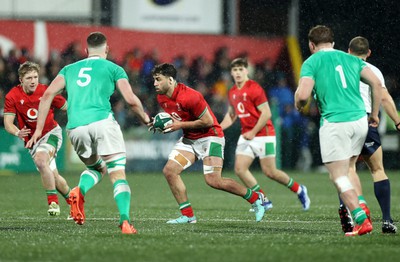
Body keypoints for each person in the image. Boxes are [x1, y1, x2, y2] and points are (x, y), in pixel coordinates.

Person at [26, 32, 150, 234]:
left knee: (96, 168)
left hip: (76, 128)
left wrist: (38, 129)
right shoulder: (114, 68)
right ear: (107, 49)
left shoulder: (69, 69)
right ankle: (125, 221)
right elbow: (130, 99)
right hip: (102, 122)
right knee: (117, 174)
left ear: (86, 51)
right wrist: (145, 118)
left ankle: (78, 190)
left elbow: (47, 94)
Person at [148, 63, 265, 223]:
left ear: (170, 80)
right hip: (190, 139)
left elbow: (208, 121)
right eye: (154, 80)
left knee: (213, 180)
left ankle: (256, 198)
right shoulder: (161, 98)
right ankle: (188, 216)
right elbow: (176, 117)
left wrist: (179, 125)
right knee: (170, 171)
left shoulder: (190, 96)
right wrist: (158, 123)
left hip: (211, 137)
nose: (155, 83)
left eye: (158, 80)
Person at [295, 25, 382, 236]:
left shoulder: (312, 61)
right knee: (349, 167)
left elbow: (304, 95)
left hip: (336, 122)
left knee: (337, 176)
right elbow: (376, 84)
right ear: (333, 43)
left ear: (311, 45)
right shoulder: (350, 58)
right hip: (359, 120)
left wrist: (298, 102)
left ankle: (360, 218)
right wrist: (375, 114)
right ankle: (361, 203)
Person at [220, 58, 310, 213]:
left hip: (264, 134)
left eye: (241, 69)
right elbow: (232, 114)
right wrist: (218, 128)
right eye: (235, 70)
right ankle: (264, 200)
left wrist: (253, 132)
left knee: (270, 172)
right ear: (231, 72)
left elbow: (267, 113)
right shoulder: (233, 91)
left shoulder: (254, 88)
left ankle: (300, 189)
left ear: (247, 71)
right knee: (240, 169)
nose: (238, 73)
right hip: (247, 134)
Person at [337, 36, 398, 234]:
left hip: (346, 120)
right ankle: (387, 221)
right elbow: (386, 98)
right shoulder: (375, 71)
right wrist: (397, 121)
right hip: (367, 122)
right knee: (378, 170)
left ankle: (354, 214)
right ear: (368, 53)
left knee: (346, 169)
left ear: (348, 50)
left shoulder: (340, 68)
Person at [3, 61, 71, 217]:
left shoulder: (46, 91)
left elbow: (68, 107)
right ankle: (74, 201)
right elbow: (8, 123)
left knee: (41, 161)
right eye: (29, 78)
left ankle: (52, 202)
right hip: (32, 141)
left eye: (35, 77)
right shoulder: (12, 96)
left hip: (51, 133)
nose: (33, 81)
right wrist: (17, 132)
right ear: (21, 80)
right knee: (53, 177)